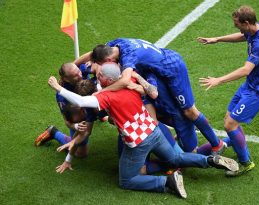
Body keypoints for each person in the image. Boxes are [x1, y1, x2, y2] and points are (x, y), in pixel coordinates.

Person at [48, 62, 239, 198]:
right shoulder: (129, 78)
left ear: (107, 80)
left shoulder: (105, 97)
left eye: (99, 77)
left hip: (138, 141)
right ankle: (210, 160)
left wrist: (58, 87)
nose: (96, 77)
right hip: (154, 129)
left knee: (126, 180)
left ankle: (167, 183)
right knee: (175, 158)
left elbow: (81, 101)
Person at [78, 38, 225, 155]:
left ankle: (217, 144)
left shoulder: (129, 57)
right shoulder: (115, 45)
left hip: (172, 69)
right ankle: (177, 144)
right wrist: (73, 64)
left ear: (109, 60)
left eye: (102, 65)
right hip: (158, 69)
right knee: (165, 112)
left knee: (189, 111)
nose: (102, 68)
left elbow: (124, 81)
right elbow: (92, 54)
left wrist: (101, 93)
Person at [197, 5, 259, 176]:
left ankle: (246, 163)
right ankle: (229, 143)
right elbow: (242, 35)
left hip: (258, 92)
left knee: (230, 123)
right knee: (230, 119)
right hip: (250, 85)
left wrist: (218, 80)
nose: (235, 26)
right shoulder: (255, 29)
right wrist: (217, 39)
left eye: (237, 23)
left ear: (246, 22)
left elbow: (246, 70)